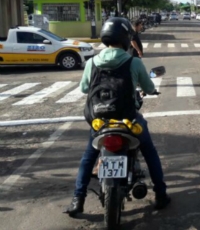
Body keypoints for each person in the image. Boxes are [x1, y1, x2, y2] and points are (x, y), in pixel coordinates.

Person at [65, 17, 170, 217]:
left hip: (100, 121)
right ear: (125, 38)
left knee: (89, 157)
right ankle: (161, 194)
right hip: (128, 120)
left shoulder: (92, 62)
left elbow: (84, 88)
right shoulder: (133, 62)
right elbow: (148, 88)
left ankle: (78, 199)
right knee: (149, 151)